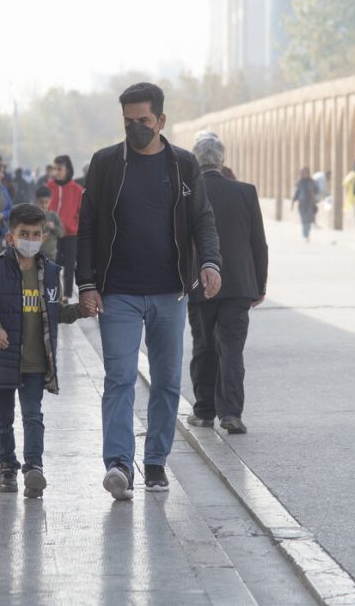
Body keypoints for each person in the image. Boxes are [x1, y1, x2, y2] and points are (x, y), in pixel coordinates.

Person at [77, 81, 221, 500]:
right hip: (118, 292)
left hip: (169, 293)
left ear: (160, 120)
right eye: (128, 122)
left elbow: (203, 221)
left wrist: (210, 263)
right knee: (119, 378)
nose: (135, 128)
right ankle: (119, 463)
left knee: (167, 382)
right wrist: (87, 283)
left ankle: (155, 461)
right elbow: (87, 227)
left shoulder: (182, 165)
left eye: (143, 121)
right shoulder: (106, 165)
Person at [0, 203, 92, 498]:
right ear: (11, 237)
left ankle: (34, 468)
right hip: (2, 356)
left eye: (36, 234)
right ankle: (7, 468)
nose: (30, 239)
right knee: (3, 417)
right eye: (24, 233)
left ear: (43, 236)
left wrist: (79, 310)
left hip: (37, 361)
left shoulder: (50, 272)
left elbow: (55, 313)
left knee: (33, 415)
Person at [186, 132, 267, 434]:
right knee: (232, 349)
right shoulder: (245, 192)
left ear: (195, 158)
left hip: (200, 282)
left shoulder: (189, 193)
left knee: (204, 346)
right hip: (238, 285)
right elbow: (258, 243)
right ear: (223, 159)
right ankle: (231, 413)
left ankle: (204, 410)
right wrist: (259, 284)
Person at [46, 155, 85, 302]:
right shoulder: (49, 187)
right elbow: (43, 207)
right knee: (53, 264)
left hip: (71, 233)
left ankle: (66, 295)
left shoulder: (77, 189)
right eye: (54, 168)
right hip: (53, 233)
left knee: (69, 265)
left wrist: (76, 226)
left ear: (67, 169)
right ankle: (53, 292)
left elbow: (81, 212)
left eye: (59, 169)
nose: (56, 172)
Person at [33, 185, 64, 262]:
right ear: (36, 201)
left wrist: (53, 227)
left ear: (50, 200)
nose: (44, 205)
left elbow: (61, 233)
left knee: (50, 273)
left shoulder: (53, 216)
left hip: (51, 253)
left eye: (46, 202)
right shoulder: (32, 216)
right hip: (35, 253)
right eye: (41, 202)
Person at [291, 167, 318, 241]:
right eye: (303, 173)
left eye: (306, 172)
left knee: (309, 220)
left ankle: (307, 234)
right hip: (302, 203)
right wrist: (293, 201)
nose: (304, 174)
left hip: (310, 203)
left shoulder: (311, 181)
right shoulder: (299, 182)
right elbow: (297, 192)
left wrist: (314, 194)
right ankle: (305, 235)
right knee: (304, 220)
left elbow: (316, 190)